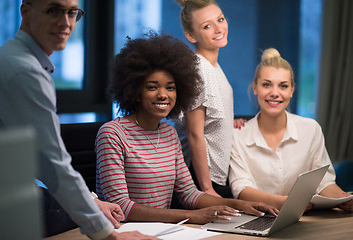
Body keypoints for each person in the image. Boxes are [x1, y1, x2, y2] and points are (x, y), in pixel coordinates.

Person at [0, 0, 158, 239]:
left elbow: (37, 160)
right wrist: (110, 236)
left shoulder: (14, 58)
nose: (66, 22)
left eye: (72, 13)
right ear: (26, 11)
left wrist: (93, 202)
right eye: (53, 11)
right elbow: (52, 163)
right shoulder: (24, 71)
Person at [95, 32, 279, 224]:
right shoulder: (112, 134)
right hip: (124, 233)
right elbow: (120, 206)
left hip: (162, 232)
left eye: (170, 87)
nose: (163, 95)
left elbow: (188, 193)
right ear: (135, 91)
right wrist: (191, 216)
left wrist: (240, 205)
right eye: (152, 87)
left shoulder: (168, 133)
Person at [229, 48, 353, 213]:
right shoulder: (238, 135)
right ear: (255, 88)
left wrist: (344, 199)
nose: (275, 93)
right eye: (266, 85)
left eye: (283, 86)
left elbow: (323, 182)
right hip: (257, 218)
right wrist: (285, 203)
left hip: (304, 219)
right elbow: (241, 189)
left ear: (292, 90)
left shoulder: (311, 129)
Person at [173, 0, 246, 198]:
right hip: (200, 177)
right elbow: (194, 133)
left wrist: (226, 124)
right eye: (207, 26)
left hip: (211, 174)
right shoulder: (199, 68)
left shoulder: (212, 66)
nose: (218, 28)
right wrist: (206, 189)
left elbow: (207, 121)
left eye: (220, 19)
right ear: (190, 35)